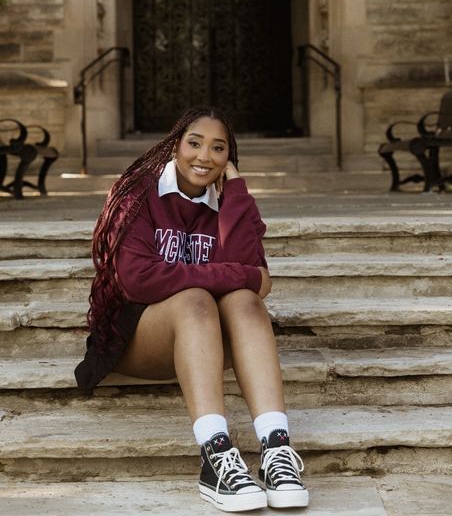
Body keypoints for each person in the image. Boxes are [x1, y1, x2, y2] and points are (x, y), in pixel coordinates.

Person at [75, 106, 309, 512]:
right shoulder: (137, 194)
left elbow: (254, 277)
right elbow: (138, 280)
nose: (205, 156)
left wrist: (235, 191)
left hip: (205, 342)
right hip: (138, 336)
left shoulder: (227, 200)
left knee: (245, 303)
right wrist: (232, 276)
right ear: (175, 144)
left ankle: (276, 451)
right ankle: (215, 458)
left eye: (219, 149)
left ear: (229, 158)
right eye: (195, 143)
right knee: (197, 300)